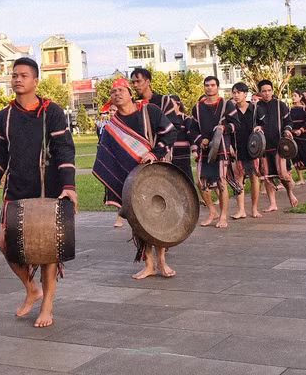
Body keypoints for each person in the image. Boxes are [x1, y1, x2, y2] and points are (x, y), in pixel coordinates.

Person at [0, 57, 78, 328]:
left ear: (35, 81)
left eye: (23, 75)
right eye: (14, 75)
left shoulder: (52, 112)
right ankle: (32, 288)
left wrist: (69, 187)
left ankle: (47, 304)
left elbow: (65, 150)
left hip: (49, 191)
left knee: (48, 252)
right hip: (17, 190)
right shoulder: (3, 117)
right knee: (3, 242)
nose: (17, 79)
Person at [92, 78, 176, 279]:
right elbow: (106, 156)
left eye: (121, 90)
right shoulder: (111, 127)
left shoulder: (150, 111)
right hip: (130, 180)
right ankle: (148, 264)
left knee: (159, 217)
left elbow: (170, 134)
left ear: (130, 93)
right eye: (113, 92)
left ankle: (162, 262)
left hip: (154, 172)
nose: (117, 94)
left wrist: (154, 153)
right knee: (138, 221)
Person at [187, 76, 238, 227]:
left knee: (221, 182)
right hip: (204, 150)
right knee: (201, 182)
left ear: (218, 87)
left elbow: (236, 125)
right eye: (207, 85)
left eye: (213, 85)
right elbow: (193, 129)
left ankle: (223, 217)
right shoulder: (197, 107)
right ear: (204, 87)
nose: (209, 88)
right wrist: (199, 140)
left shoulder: (226, 104)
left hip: (221, 148)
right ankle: (212, 211)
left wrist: (224, 128)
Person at [130, 68, 191, 179]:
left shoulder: (164, 101)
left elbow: (174, 128)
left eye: (138, 81)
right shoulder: (134, 105)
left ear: (148, 82)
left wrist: (158, 150)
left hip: (162, 155)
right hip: (141, 155)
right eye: (133, 82)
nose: (135, 85)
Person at [253, 80, 298, 209]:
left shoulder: (280, 105)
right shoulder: (256, 107)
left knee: (283, 174)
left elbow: (288, 121)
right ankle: (272, 203)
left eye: (268, 90)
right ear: (260, 92)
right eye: (263, 91)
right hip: (263, 147)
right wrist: (257, 128)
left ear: (272, 91)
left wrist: (287, 130)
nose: (266, 93)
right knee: (267, 176)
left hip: (279, 145)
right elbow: (254, 124)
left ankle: (290, 193)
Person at [227, 83, 263, 218]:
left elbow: (263, 124)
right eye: (234, 93)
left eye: (238, 92)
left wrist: (260, 129)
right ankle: (241, 210)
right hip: (237, 147)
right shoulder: (231, 111)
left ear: (245, 94)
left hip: (253, 148)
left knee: (254, 177)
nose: (236, 95)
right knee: (238, 178)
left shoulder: (254, 109)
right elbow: (228, 130)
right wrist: (229, 145)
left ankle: (254, 209)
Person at [289, 91, 306, 184]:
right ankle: (301, 179)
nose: (293, 97)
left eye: (295, 96)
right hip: (293, 135)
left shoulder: (305, 109)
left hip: (303, 135)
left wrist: (301, 130)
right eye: (292, 96)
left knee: (305, 155)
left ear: (300, 97)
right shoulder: (289, 110)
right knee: (295, 156)